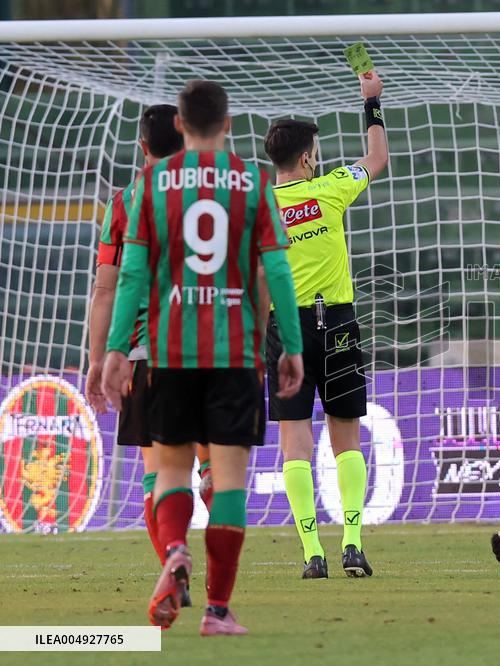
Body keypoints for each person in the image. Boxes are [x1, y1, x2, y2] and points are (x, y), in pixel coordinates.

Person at [102, 80, 304, 635]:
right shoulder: (256, 182)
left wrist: (116, 350)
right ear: (229, 123)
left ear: (180, 125)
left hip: (168, 352)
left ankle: (174, 549)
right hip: (234, 352)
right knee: (229, 482)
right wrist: (290, 345)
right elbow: (277, 270)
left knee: (169, 470)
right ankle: (217, 610)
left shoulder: (149, 186)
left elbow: (131, 276)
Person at [262, 70, 388, 579]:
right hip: (336, 322)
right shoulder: (331, 189)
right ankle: (352, 544)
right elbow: (376, 158)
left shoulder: (260, 208)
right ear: (307, 158)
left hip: (284, 329)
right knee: (346, 440)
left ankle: (312, 553)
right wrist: (371, 102)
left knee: (294, 443)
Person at [85, 106, 214, 597]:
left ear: (142, 147)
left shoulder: (124, 202)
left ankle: (174, 563)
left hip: (147, 351)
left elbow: (105, 288)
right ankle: (219, 582)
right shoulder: (218, 192)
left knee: (157, 472)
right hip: (212, 345)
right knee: (212, 462)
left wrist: (98, 360)